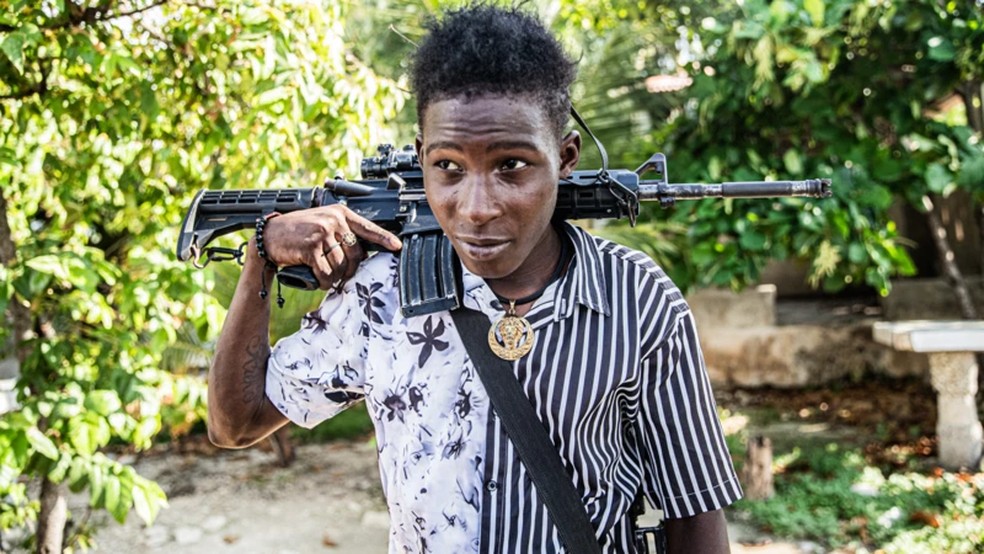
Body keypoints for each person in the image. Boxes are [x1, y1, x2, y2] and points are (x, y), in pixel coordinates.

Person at [207, 5, 742, 553]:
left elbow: (694, 513)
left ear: (565, 158)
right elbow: (237, 423)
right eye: (449, 167)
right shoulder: (383, 291)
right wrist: (262, 256)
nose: (476, 207)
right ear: (421, 159)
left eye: (511, 165)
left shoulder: (636, 299)